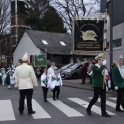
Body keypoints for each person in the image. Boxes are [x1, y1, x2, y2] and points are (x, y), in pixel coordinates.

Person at [86, 53, 111, 117]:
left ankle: (104, 112)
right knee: (95, 98)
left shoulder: (103, 67)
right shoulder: (94, 67)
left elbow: (105, 75)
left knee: (103, 99)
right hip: (97, 85)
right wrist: (103, 65)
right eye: (101, 60)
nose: (102, 61)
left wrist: (106, 79)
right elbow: (99, 71)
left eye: (102, 60)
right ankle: (88, 108)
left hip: (103, 85)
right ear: (98, 60)